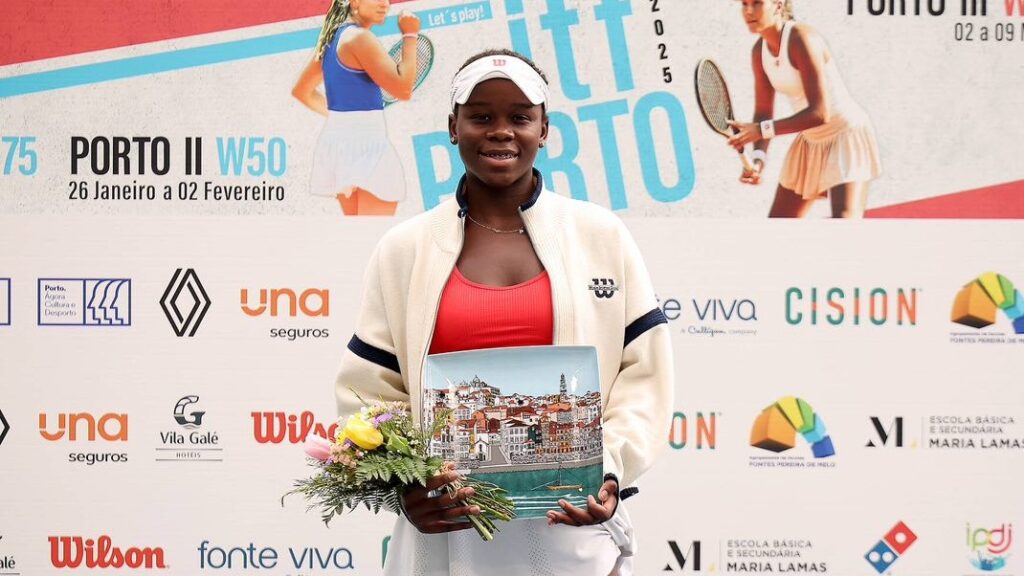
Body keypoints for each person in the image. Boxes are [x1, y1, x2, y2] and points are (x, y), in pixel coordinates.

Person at [333, 49, 674, 575]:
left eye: (519, 117)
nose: (500, 131)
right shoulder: (405, 248)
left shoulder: (600, 237)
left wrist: (607, 470)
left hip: (571, 531)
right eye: (481, 116)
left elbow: (643, 376)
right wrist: (407, 485)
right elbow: (371, 392)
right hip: (449, 537)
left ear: (545, 129)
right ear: (453, 127)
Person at [727, 0, 881, 218]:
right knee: (776, 232)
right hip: (811, 141)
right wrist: (758, 159)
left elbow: (820, 113)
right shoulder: (758, 53)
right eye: (744, 4)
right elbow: (763, 113)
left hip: (846, 135)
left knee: (845, 230)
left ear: (778, 5)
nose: (748, 11)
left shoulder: (802, 39)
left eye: (757, 3)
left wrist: (760, 130)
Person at [292, 0, 420, 216]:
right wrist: (410, 35)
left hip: (338, 144)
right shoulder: (360, 38)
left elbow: (302, 91)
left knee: (359, 238)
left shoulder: (333, 37)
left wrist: (344, 118)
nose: (385, 4)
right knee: (373, 239)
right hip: (366, 145)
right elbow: (404, 90)